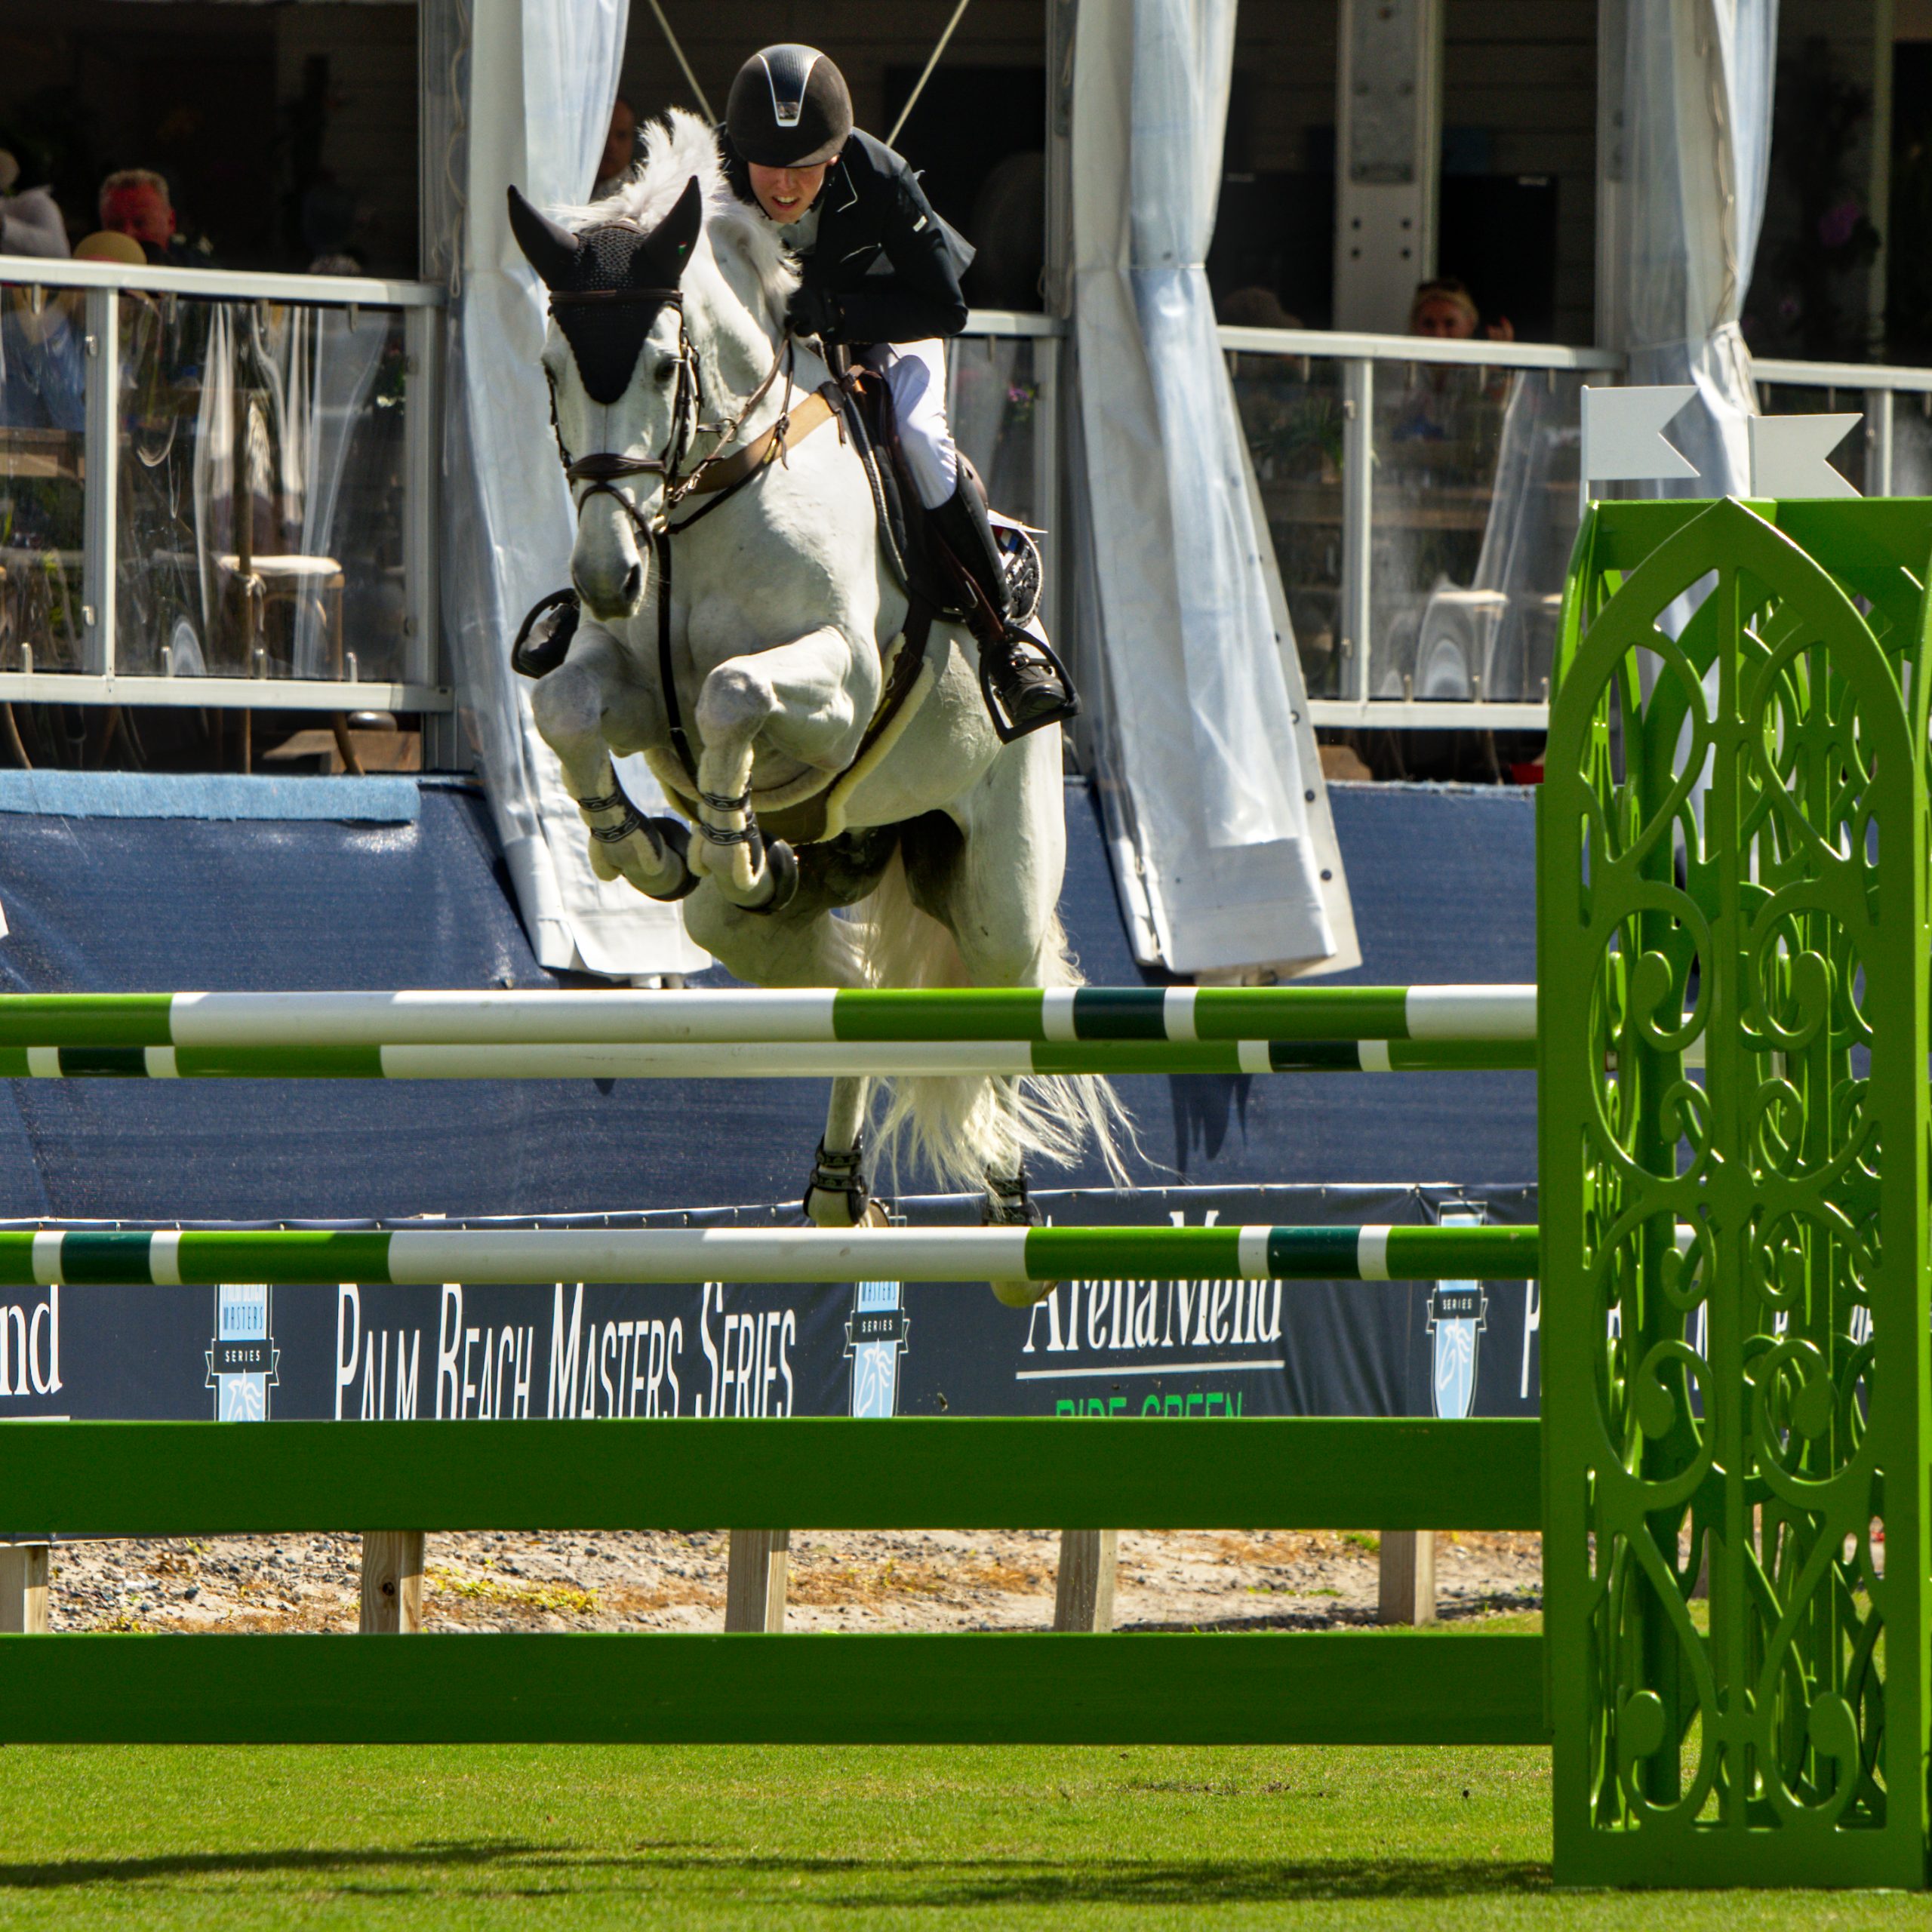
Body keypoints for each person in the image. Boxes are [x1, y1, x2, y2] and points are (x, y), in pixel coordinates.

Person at [721, 44, 1075, 737]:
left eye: (804, 168)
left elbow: (945, 308)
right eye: (769, 166)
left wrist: (843, 314)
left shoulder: (883, 179)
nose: (784, 188)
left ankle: (1003, 638)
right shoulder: (716, 177)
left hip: (889, 320)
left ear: (834, 152)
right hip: (775, 330)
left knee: (917, 433)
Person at [97, 168, 213, 269]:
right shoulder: (86, 277)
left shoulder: (204, 281)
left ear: (171, 222)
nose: (128, 235)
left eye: (140, 224)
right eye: (116, 225)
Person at [1408, 276, 1513, 343]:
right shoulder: (1401, 372)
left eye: (1450, 324)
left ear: (1470, 324)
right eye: (1429, 324)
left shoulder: (1486, 373)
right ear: (1415, 325)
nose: (1439, 335)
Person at [594, 97, 641, 202]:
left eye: (621, 136)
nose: (611, 145)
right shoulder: (563, 190)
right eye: (603, 135)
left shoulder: (641, 201)